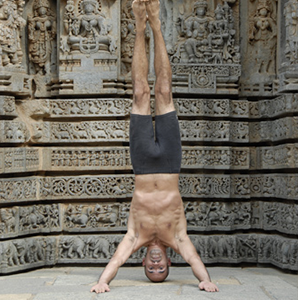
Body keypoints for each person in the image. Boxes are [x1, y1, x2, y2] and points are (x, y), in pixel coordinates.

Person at [90, 0, 219, 294]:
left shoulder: (136, 238)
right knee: (163, 91)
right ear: (170, 264)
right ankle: (157, 26)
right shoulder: (178, 238)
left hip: (143, 164)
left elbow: (117, 259)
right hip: (171, 162)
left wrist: (102, 282)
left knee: (140, 93)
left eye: (152, 269)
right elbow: (195, 259)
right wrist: (205, 280)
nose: (156, 266)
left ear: (145, 262)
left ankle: (139, 26)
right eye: (161, 270)